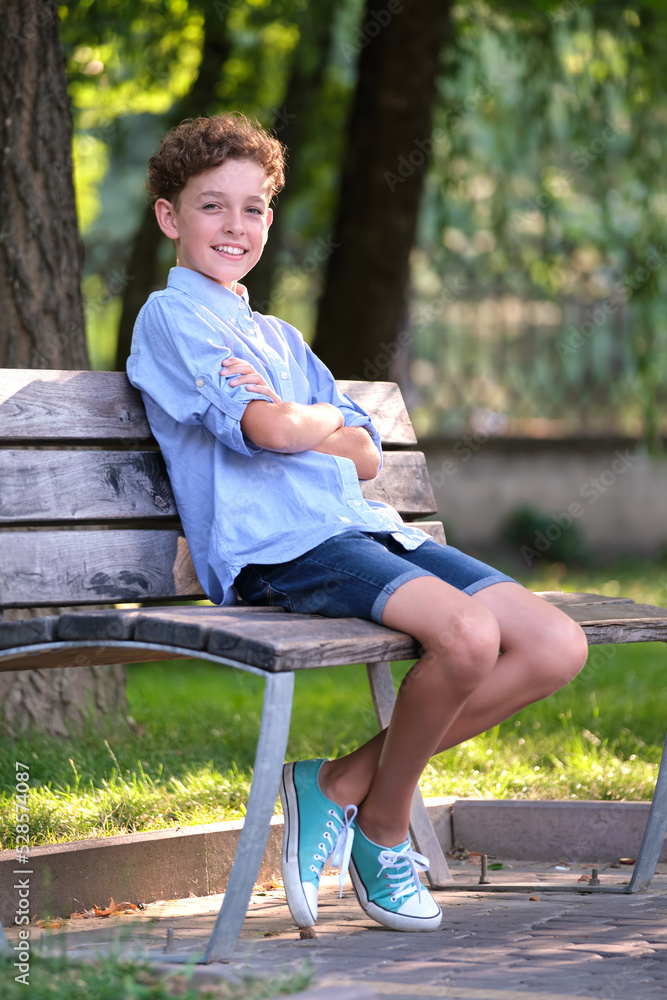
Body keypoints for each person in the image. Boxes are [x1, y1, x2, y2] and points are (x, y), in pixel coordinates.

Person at [127, 113, 589, 933]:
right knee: (469, 638)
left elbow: (364, 452)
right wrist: (312, 423)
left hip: (360, 528)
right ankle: (381, 829)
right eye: (211, 206)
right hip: (281, 548)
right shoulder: (171, 320)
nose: (235, 226)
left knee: (555, 645)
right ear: (169, 216)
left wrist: (297, 418)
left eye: (253, 208)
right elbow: (271, 432)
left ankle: (334, 784)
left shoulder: (276, 337)